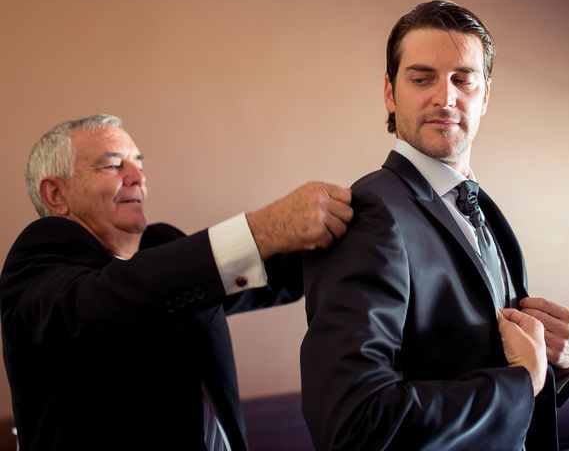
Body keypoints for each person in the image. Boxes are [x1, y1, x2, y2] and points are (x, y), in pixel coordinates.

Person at [301, 0, 569, 450]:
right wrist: (519, 383)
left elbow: (496, 372)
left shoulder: (480, 205)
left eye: (463, 79)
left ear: (485, 95)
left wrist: (561, 365)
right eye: (421, 79)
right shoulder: (372, 213)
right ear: (390, 93)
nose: (445, 98)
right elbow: (354, 424)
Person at [0, 114, 353, 451]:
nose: (138, 175)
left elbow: (263, 275)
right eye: (113, 164)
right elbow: (107, 302)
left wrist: (359, 226)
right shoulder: (39, 258)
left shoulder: (161, 246)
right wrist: (261, 229)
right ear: (56, 195)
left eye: (138, 162)